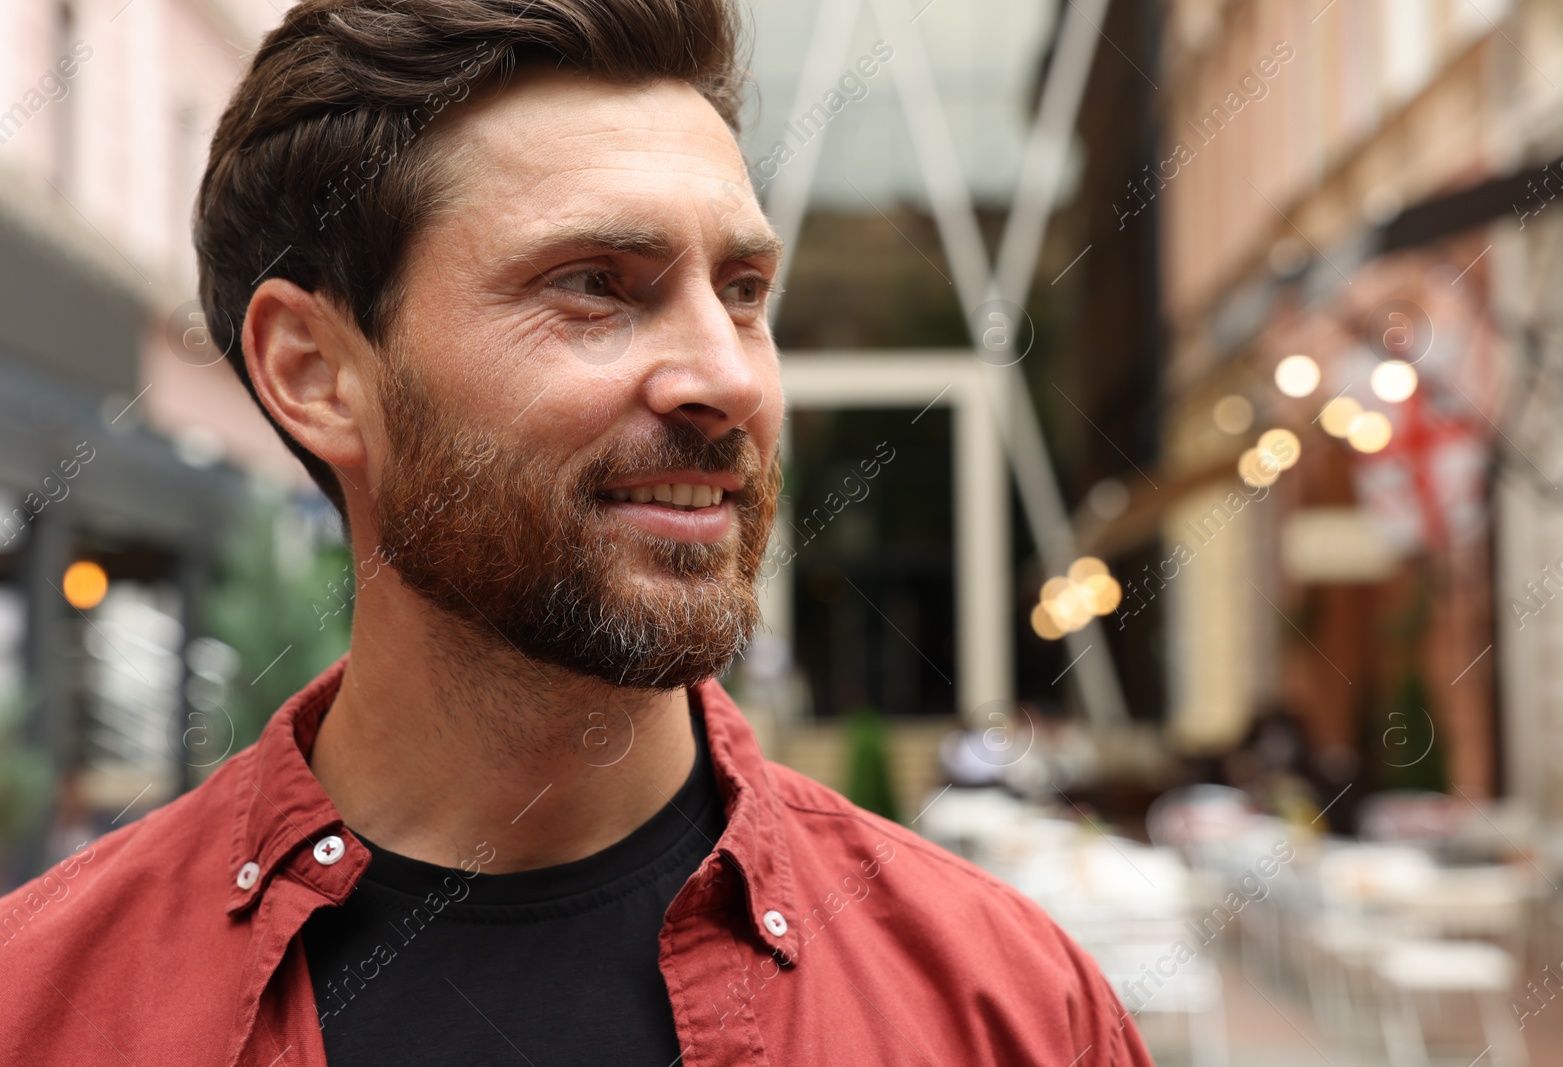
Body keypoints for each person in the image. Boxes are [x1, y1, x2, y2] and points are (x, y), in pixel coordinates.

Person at [0, 1, 1151, 1063]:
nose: (724, 377)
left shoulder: (1008, 1008)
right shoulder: (46, 1004)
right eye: (597, 284)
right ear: (316, 374)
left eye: (744, 290)